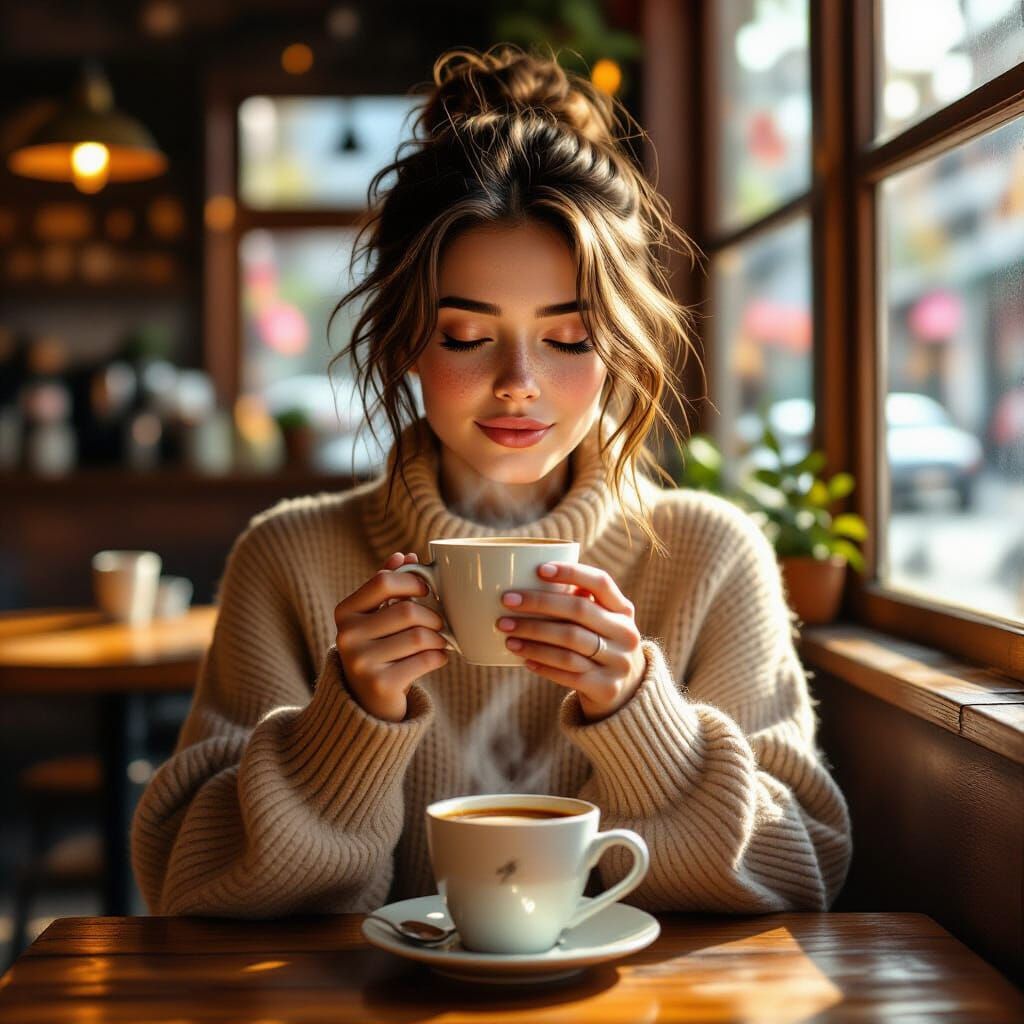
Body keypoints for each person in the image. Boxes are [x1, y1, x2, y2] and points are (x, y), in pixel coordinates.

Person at [131, 45, 851, 917]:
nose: (519, 381)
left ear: (620, 343)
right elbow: (185, 883)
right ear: (404, 342)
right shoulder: (290, 559)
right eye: (468, 337)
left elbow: (799, 871)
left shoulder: (709, 557)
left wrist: (637, 714)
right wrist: (347, 719)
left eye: (570, 336)